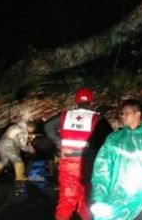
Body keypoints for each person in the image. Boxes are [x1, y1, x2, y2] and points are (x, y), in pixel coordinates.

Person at [90, 99, 142, 220]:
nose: (123, 116)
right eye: (121, 113)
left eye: (126, 113)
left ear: (137, 114)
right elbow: (102, 168)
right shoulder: (114, 139)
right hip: (113, 198)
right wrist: (99, 194)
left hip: (138, 201)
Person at [44, 87, 112, 220]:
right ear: (91, 102)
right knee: (86, 197)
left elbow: (47, 126)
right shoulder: (97, 119)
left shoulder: (65, 115)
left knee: (67, 198)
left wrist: (59, 142)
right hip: (88, 164)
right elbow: (109, 139)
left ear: (76, 102)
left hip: (68, 162)